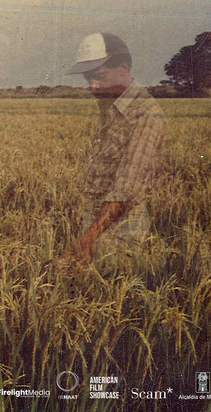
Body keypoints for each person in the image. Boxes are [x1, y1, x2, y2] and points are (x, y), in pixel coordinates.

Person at [63, 32, 167, 265]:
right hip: (95, 228)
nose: (93, 87)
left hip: (120, 236)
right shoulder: (111, 103)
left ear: (122, 68)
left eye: (99, 77)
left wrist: (87, 239)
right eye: (88, 79)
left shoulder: (145, 115)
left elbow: (126, 191)